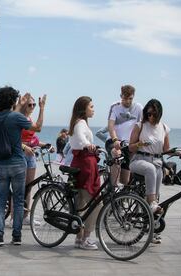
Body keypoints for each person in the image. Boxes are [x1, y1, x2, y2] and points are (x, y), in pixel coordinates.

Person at [0, 86, 45, 246]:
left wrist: (19, 103)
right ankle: (16, 236)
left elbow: (10, 113)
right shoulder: (17, 118)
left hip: (1, 164)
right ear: (13, 101)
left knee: (1, 201)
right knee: (19, 201)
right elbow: (37, 127)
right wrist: (42, 108)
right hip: (18, 163)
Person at [69, 96, 101, 250]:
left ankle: (79, 238)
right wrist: (90, 145)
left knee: (82, 202)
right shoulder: (80, 123)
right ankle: (86, 238)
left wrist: (88, 145)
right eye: (91, 106)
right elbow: (81, 140)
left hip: (81, 163)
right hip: (86, 164)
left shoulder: (77, 123)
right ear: (84, 108)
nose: (93, 109)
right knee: (95, 202)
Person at [129, 99, 170, 214]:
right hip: (139, 160)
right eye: (148, 114)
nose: (151, 116)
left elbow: (167, 150)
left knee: (155, 196)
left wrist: (179, 152)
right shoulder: (140, 126)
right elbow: (130, 147)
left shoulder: (164, 128)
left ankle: (149, 217)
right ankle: (152, 203)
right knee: (150, 169)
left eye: (153, 114)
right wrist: (139, 144)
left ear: (159, 114)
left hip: (157, 162)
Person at [19, 95, 51, 226]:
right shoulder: (20, 118)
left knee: (28, 187)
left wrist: (46, 145)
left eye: (34, 105)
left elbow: (34, 138)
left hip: (31, 154)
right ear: (23, 105)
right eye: (29, 105)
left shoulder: (29, 119)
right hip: (20, 153)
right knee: (19, 187)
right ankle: (14, 217)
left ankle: (26, 216)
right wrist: (42, 109)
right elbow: (16, 138)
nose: (32, 107)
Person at [107, 86, 143, 185]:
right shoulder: (115, 107)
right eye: (125, 98)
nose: (127, 101)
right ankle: (114, 189)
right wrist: (115, 140)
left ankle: (121, 196)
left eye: (130, 98)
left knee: (125, 180)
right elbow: (110, 125)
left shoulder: (139, 108)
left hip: (128, 143)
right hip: (113, 140)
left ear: (133, 97)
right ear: (121, 96)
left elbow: (141, 126)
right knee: (116, 153)